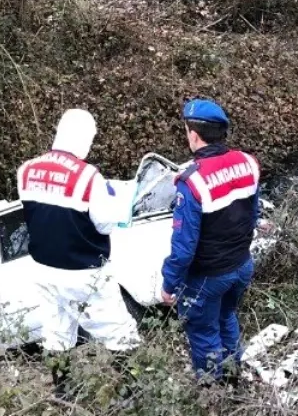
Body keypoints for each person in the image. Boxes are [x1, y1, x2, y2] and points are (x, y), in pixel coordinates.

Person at [17, 109, 141, 366]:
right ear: (85, 138)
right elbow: (105, 224)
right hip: (84, 270)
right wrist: (116, 204)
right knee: (120, 333)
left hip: (43, 269)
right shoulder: (88, 176)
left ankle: (63, 394)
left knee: (56, 333)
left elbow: (40, 212)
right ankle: (131, 394)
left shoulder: (26, 170)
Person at [160, 98, 261, 382]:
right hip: (242, 266)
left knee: (204, 333)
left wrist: (169, 284)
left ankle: (214, 391)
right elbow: (253, 214)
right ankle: (234, 377)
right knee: (226, 317)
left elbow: (183, 247)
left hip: (206, 277)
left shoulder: (191, 182)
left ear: (193, 134)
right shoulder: (248, 163)